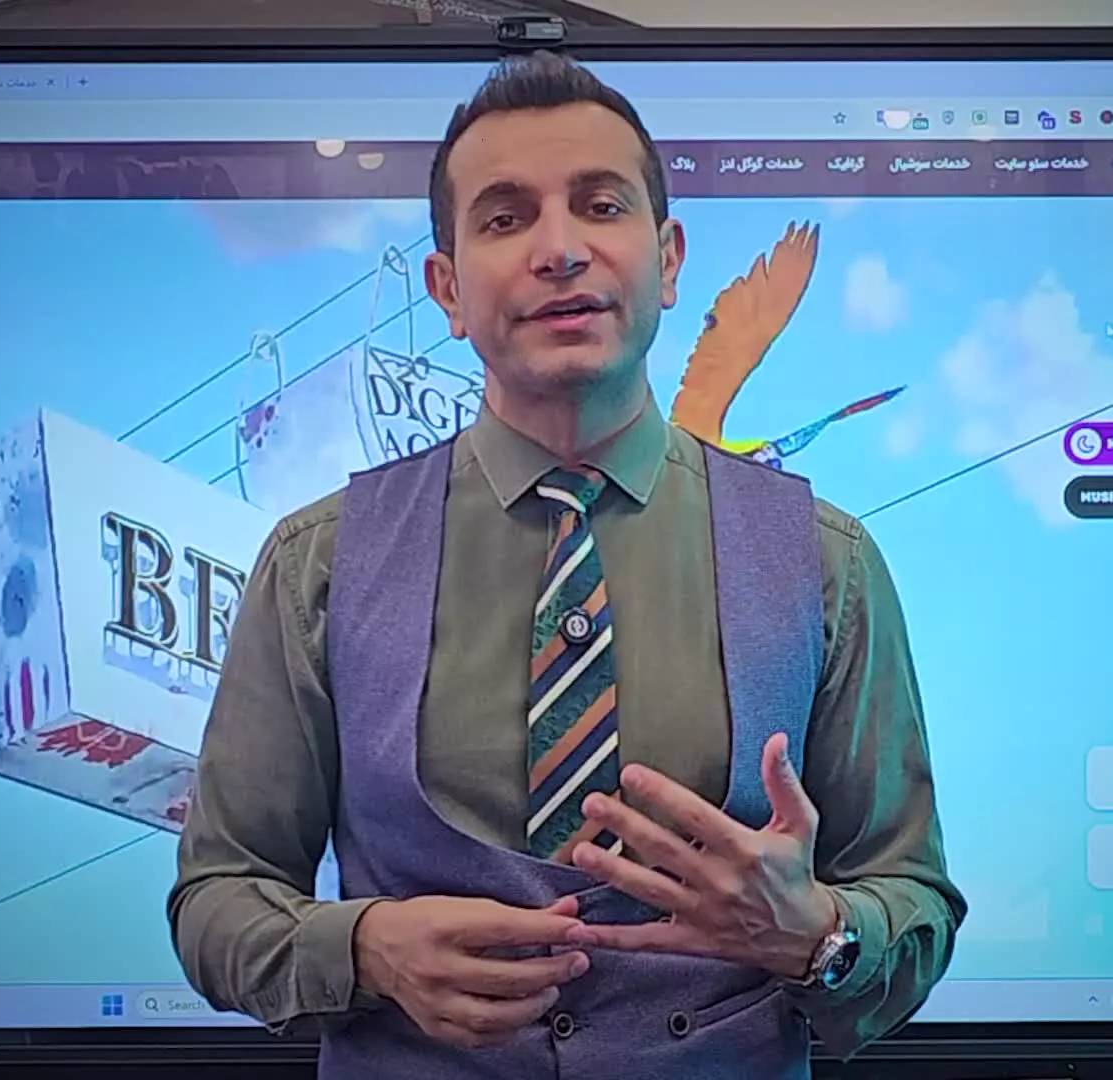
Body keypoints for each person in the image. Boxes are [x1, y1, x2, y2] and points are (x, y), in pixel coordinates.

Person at [167, 50, 965, 1079]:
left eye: (601, 205)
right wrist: (360, 949)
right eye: (506, 218)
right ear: (447, 290)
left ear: (668, 260)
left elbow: (914, 903)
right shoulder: (314, 563)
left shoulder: (828, 563)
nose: (559, 250)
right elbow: (216, 899)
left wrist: (819, 937)